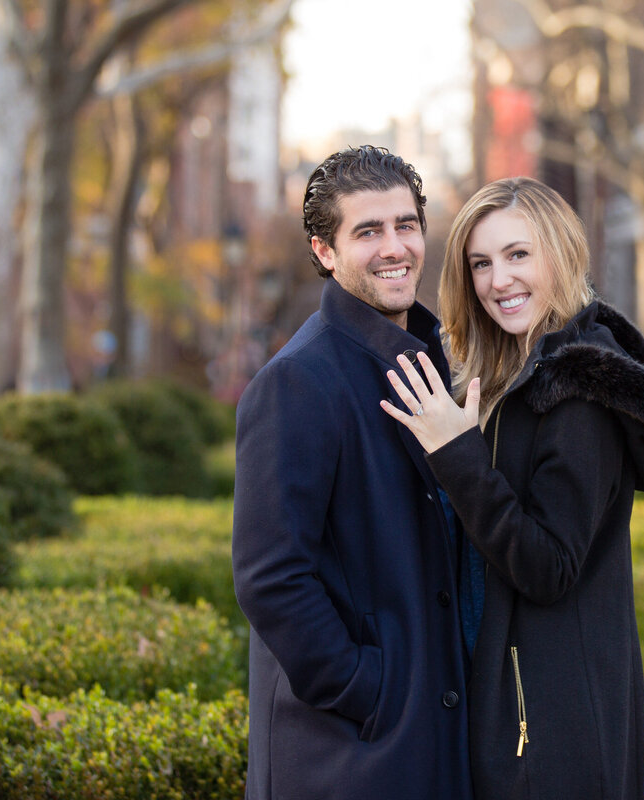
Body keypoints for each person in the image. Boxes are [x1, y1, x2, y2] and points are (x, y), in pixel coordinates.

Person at [380, 177, 644, 800]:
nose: (498, 280)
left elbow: (549, 566)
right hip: (515, 716)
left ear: (559, 254)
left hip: (551, 735)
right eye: (481, 263)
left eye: (518, 255)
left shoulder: (578, 393)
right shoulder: (515, 376)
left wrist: (457, 456)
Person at [232, 146, 473, 800]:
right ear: (325, 252)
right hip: (347, 758)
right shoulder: (296, 384)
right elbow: (271, 576)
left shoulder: (437, 370)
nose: (395, 246)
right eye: (368, 231)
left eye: (406, 225)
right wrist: (369, 690)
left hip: (431, 745)